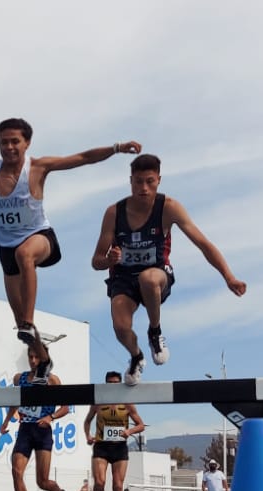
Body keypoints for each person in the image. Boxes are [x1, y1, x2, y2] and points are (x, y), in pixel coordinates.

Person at [0, 119, 140, 373]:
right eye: (4, 142)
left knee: (25, 254)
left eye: (15, 142)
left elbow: (84, 157)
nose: (9, 147)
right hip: (6, 249)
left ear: (27, 143)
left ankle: (29, 321)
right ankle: (43, 359)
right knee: (20, 322)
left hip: (40, 238)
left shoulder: (39, 167)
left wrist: (117, 147)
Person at [92, 153, 246, 385]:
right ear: (130, 181)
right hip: (123, 278)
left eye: (150, 181)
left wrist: (229, 277)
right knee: (121, 328)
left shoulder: (169, 208)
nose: (143, 188)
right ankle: (136, 356)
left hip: (157, 274)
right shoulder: (114, 213)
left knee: (149, 278)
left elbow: (203, 244)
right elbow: (96, 261)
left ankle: (155, 331)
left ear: (159, 180)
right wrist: (109, 260)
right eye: (138, 182)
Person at [0, 346, 72, 491]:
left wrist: (50, 418)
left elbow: (65, 407)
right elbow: (16, 401)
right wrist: (6, 422)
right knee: (16, 471)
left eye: (36, 357)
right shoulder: (19, 379)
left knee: (42, 481)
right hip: (25, 429)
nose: (32, 360)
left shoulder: (52, 380)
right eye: (30, 357)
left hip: (43, 430)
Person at [83, 372, 146, 491]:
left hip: (119, 447)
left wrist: (129, 432)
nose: (113, 385)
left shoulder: (127, 403)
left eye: (116, 382)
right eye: (109, 383)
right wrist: (88, 435)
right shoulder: (98, 401)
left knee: (118, 486)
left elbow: (141, 425)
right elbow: (87, 421)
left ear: (120, 384)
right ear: (105, 383)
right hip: (101, 446)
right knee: (99, 482)